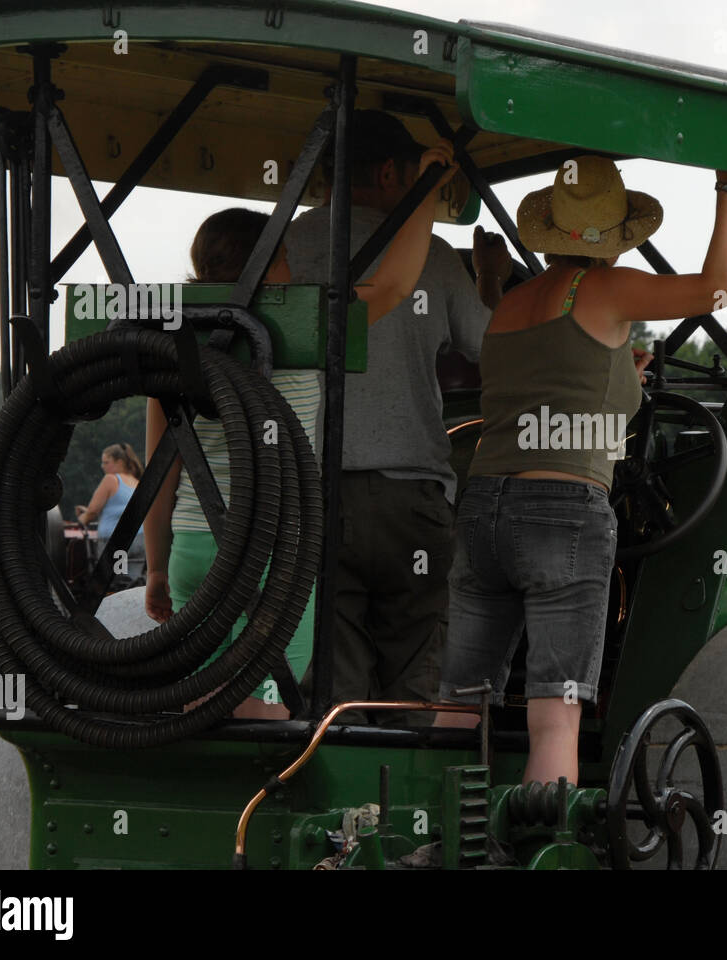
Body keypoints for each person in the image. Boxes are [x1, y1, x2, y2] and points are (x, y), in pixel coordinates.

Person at [435, 156, 727, 786]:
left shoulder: (510, 305)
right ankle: (544, 844)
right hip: (563, 512)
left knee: (459, 699)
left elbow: (541, 386)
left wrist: (619, 381)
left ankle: (427, 834)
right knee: (558, 710)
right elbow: (725, 287)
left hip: (483, 507)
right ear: (617, 234)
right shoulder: (606, 289)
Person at [143, 140, 458, 721]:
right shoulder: (298, 331)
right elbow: (391, 286)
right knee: (268, 703)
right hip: (274, 549)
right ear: (268, 263)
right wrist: (426, 197)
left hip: (193, 543)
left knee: (199, 692)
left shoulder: (170, 341)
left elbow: (160, 476)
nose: (296, 269)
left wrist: (158, 567)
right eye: (286, 257)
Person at [284, 109, 512, 724]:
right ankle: (408, 806)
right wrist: (489, 279)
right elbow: (495, 355)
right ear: (390, 171)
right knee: (417, 673)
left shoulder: (281, 249)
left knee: (334, 680)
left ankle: (338, 807)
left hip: (312, 495)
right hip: (409, 500)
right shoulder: (432, 257)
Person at [76, 443, 147, 575]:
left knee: (114, 585)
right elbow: (119, 509)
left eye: (106, 462)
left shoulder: (111, 479)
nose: (102, 466)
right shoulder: (136, 482)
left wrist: (81, 519)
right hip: (139, 541)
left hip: (116, 543)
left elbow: (92, 512)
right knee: (131, 584)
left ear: (119, 462)